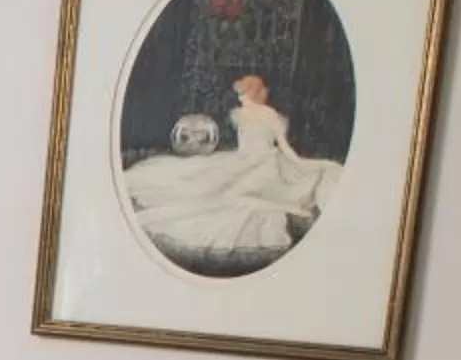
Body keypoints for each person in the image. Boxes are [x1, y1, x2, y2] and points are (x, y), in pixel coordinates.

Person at [121, 72, 339, 274]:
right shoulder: (241, 114)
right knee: (206, 185)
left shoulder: (268, 114)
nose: (240, 99)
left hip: (266, 165)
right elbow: (246, 148)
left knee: (229, 196)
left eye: (243, 94)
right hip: (246, 162)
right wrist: (238, 164)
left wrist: (302, 163)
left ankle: (292, 208)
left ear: (255, 93)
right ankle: (290, 208)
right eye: (239, 95)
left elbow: (284, 148)